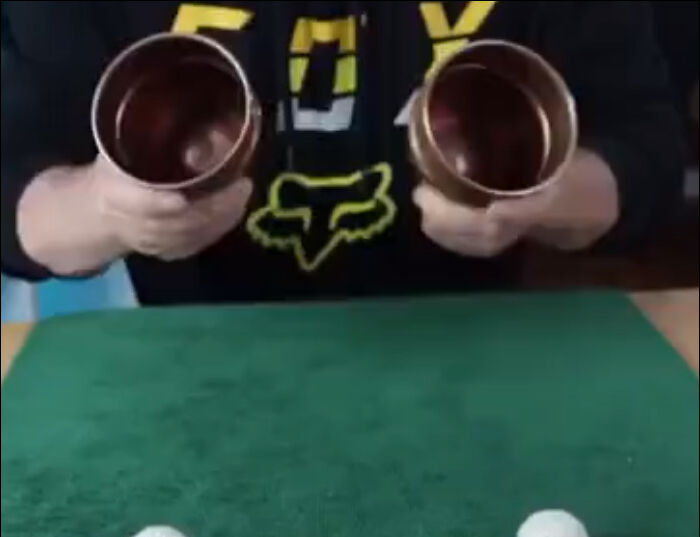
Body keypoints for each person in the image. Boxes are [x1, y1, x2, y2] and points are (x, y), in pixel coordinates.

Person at [1, 1, 684, 304]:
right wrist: (104, 209)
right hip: (197, 359)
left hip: (467, 352)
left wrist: (546, 199)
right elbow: (14, 181)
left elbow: (646, 148)